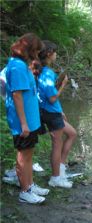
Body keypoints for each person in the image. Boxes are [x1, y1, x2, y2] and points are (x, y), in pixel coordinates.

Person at [5, 33, 49, 204]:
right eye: (36, 51)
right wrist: (23, 123)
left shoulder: (22, 65)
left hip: (31, 120)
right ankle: (24, 192)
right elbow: (16, 95)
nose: (37, 55)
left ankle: (30, 185)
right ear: (30, 49)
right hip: (23, 122)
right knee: (23, 156)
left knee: (29, 154)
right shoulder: (16, 67)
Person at [38, 40, 77, 188]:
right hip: (50, 112)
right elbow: (52, 97)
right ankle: (55, 178)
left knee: (72, 133)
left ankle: (60, 167)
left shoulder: (40, 70)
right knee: (56, 144)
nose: (56, 55)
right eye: (55, 52)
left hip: (52, 111)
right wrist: (63, 85)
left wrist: (60, 110)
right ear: (49, 54)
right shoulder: (47, 72)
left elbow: (47, 94)